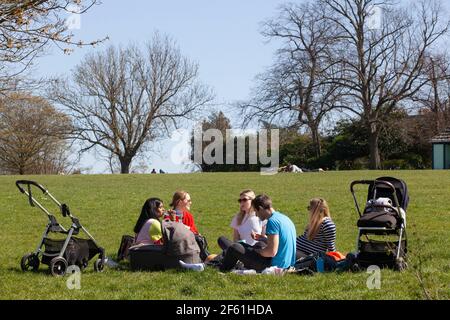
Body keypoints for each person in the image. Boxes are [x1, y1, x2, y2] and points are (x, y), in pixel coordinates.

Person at [220, 194, 297, 272]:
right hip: (288, 264)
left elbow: (271, 252)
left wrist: (256, 251)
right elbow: (280, 243)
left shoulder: (272, 221)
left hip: (274, 266)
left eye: (256, 211)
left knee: (235, 247)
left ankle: (223, 271)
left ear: (260, 208)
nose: (256, 215)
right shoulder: (284, 218)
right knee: (259, 244)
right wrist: (263, 238)